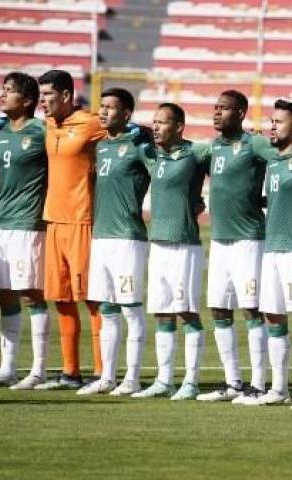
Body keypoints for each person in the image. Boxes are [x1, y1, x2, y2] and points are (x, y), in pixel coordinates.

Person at [195, 90, 281, 403]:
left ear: (241, 112)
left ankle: (258, 383)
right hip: (219, 241)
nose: (216, 113)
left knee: (252, 309)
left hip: (249, 240)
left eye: (224, 109)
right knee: (219, 308)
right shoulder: (212, 148)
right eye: (215, 108)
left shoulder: (254, 143)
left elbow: (285, 158)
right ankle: (233, 383)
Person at [0, 72, 50, 390]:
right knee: (5, 295)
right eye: (2, 89)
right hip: (3, 227)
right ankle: (7, 368)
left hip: (30, 225)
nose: (2, 95)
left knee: (33, 295)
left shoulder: (42, 130)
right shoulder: (0, 132)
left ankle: (39, 369)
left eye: (10, 91)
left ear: (28, 100)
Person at [245, 99, 292, 407]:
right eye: (272, 121)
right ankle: (279, 388)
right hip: (271, 250)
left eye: (279, 122)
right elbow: (249, 138)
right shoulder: (272, 159)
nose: (272, 126)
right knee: (273, 317)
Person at [76, 88, 152, 396]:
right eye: (101, 107)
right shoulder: (102, 146)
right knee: (107, 309)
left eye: (110, 107)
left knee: (130, 308)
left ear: (127, 114)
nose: (103, 112)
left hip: (127, 239)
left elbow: (163, 172)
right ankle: (107, 376)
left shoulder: (138, 146)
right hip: (102, 238)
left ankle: (131, 378)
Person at [34, 70, 105, 390]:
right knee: (61, 299)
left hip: (83, 221)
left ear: (66, 95)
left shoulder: (90, 123)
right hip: (54, 222)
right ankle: (70, 373)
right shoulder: (48, 124)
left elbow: (123, 134)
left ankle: (103, 373)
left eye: (48, 94)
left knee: (93, 299)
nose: (43, 101)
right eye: (41, 94)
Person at [131, 103, 208, 400]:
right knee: (162, 313)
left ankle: (191, 381)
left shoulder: (196, 153)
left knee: (187, 311)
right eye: (154, 122)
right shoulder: (151, 154)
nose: (156, 127)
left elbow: (225, 159)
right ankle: (164, 380)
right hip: (158, 242)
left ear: (179, 127)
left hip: (184, 243)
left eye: (162, 123)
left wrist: (199, 197)